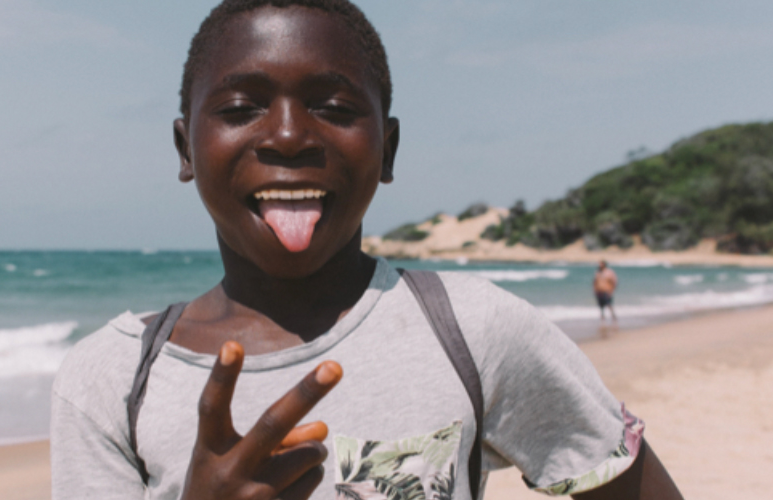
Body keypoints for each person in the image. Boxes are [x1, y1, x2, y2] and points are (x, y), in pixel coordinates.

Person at [51, 1, 683, 499]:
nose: (291, 136)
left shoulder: (474, 331)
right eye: (242, 107)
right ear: (186, 150)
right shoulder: (111, 381)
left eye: (333, 107)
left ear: (388, 150)